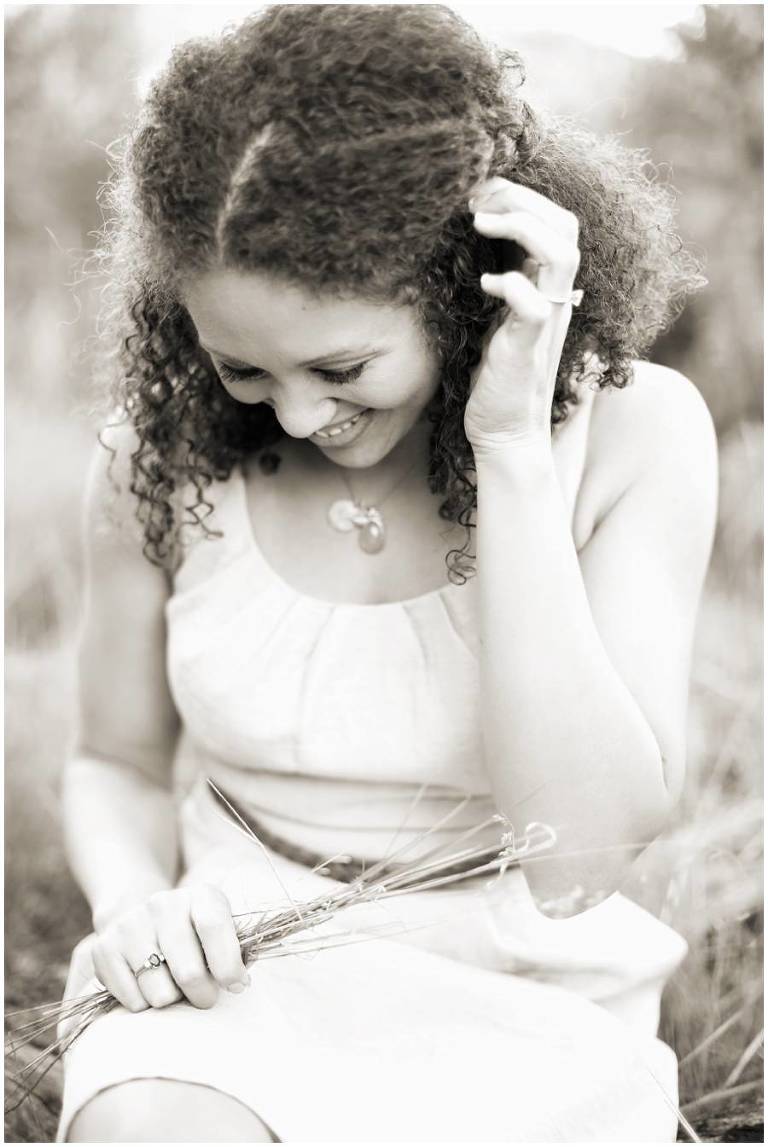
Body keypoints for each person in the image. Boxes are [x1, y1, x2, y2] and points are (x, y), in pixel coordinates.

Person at [56, 4, 717, 1142]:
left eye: (342, 366)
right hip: (232, 978)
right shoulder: (156, 455)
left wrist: (512, 453)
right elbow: (113, 760)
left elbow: (582, 859)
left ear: (466, 283)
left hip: (523, 987)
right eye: (244, 368)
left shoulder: (637, 433)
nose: (297, 415)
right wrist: (135, 902)